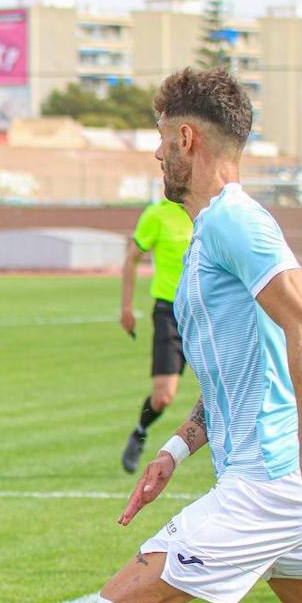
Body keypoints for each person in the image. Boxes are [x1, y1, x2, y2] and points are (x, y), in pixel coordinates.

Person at [95, 67, 302, 603]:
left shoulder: (236, 222)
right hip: (268, 476)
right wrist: (174, 450)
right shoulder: (205, 235)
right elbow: (237, 369)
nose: (157, 155)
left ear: (188, 139)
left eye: (162, 140)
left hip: (272, 479)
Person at [120, 195, 192, 473]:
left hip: (206, 312)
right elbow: (132, 259)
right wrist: (126, 307)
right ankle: (140, 431)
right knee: (163, 397)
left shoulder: (208, 209)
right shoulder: (157, 215)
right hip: (169, 313)